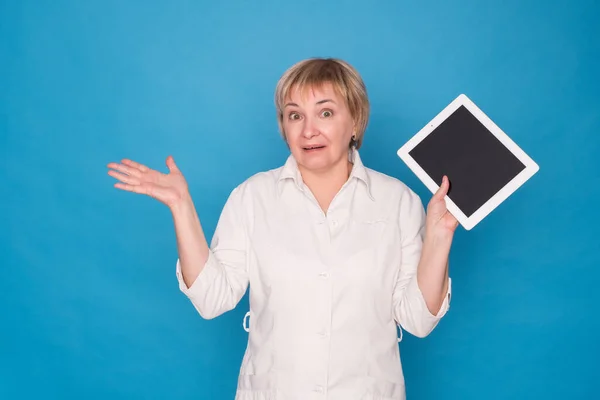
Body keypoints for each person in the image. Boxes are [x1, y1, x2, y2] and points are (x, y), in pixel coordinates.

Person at [107, 58, 457, 400]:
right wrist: (182, 207)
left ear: (355, 122)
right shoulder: (252, 197)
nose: (308, 130)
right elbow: (213, 298)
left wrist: (439, 239)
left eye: (325, 113)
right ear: (284, 127)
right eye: (294, 115)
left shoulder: (398, 201)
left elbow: (417, 320)